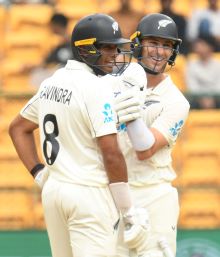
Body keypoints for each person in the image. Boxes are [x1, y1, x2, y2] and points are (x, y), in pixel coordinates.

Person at [8, 13, 149, 257]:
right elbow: (111, 154)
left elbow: (17, 128)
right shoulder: (96, 88)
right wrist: (128, 210)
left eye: (116, 48)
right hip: (89, 194)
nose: (116, 56)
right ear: (85, 50)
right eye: (108, 49)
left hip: (55, 192)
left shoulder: (52, 81)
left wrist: (39, 174)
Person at [113, 13, 190, 257]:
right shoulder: (113, 83)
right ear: (138, 44)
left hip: (154, 195)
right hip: (114, 193)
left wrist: (130, 112)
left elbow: (145, 151)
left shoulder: (177, 101)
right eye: (154, 43)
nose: (160, 52)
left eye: (167, 45)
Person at [185, 35, 220, 109]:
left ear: (210, 47)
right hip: (196, 99)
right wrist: (201, 98)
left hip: (216, 98)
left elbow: (218, 85)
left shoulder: (218, 65)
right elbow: (191, 85)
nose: (198, 46)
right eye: (197, 44)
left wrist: (211, 98)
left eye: (202, 44)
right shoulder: (191, 64)